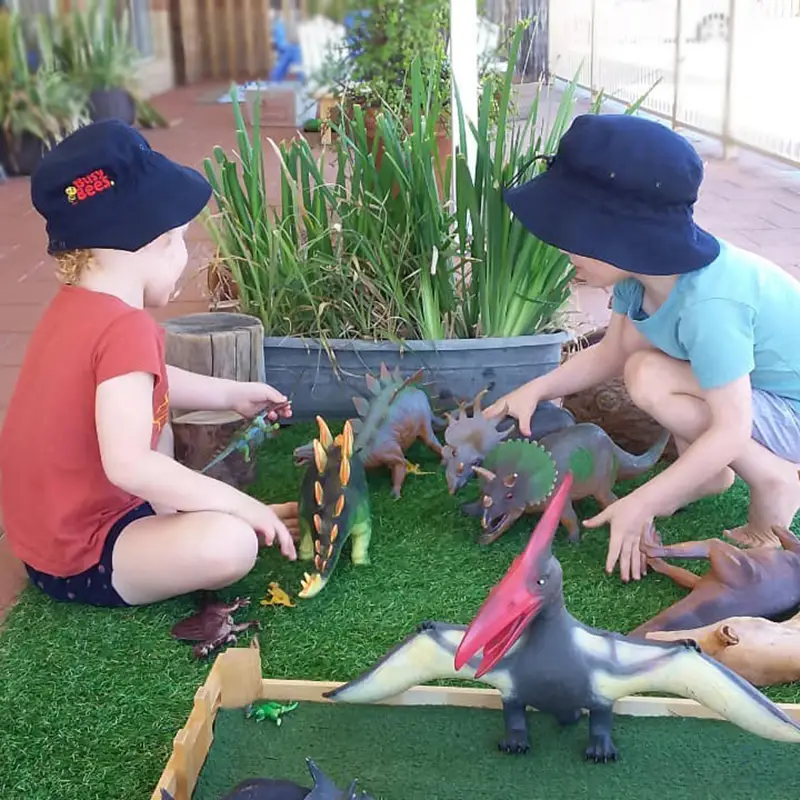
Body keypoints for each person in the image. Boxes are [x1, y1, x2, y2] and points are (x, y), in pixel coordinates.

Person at [486, 113, 800, 583]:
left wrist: (642, 502)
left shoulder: (711, 304)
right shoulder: (643, 277)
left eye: (571, 237)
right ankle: (711, 475)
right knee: (640, 364)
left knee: (651, 376)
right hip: (757, 394)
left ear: (618, 238)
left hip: (790, 412)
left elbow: (732, 428)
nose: (564, 252)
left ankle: (771, 487)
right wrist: (538, 388)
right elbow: (610, 353)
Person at [0, 120, 299, 610]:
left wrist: (230, 395)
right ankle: (179, 527)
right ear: (142, 239)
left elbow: (144, 379)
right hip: (85, 554)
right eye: (178, 239)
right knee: (232, 544)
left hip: (48, 536)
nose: (183, 254)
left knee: (159, 443)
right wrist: (238, 505)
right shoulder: (124, 327)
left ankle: (175, 520)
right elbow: (129, 464)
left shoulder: (77, 307)